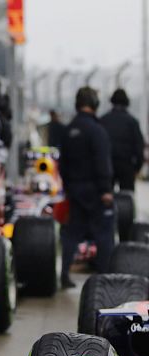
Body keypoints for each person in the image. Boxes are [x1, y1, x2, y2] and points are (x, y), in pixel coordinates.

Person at [59, 87, 114, 288]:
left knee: (71, 234)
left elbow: (62, 164)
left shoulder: (68, 130)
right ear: (94, 104)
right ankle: (104, 277)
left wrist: (68, 187)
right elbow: (102, 162)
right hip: (96, 191)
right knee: (104, 233)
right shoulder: (97, 130)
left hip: (75, 191)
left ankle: (64, 274)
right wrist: (106, 189)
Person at [100, 89, 144, 192]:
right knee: (127, 196)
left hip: (107, 165)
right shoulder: (132, 122)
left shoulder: (103, 120)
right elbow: (139, 147)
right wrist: (137, 168)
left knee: (106, 195)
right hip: (126, 166)